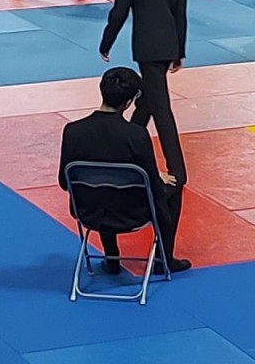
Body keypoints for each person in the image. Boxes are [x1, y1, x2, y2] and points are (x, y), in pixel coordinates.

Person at [99, 0, 191, 274]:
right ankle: (138, 137)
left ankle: (173, 161)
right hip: (168, 42)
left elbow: (120, 9)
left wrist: (107, 40)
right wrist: (180, 49)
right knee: (155, 97)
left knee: (160, 103)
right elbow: (180, 9)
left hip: (145, 45)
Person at [57, 66, 190, 276]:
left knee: (104, 190)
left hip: (89, 211)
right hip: (132, 213)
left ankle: (111, 258)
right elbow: (154, 188)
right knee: (175, 185)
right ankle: (163, 259)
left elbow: (65, 182)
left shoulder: (73, 131)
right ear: (128, 103)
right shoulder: (136, 135)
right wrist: (156, 177)